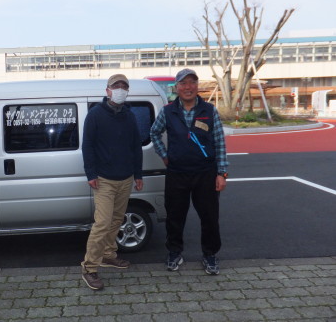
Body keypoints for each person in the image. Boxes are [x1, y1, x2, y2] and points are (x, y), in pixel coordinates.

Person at [150, 68, 228, 275]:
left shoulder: (209, 111)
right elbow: (154, 133)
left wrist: (222, 173)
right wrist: (164, 155)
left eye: (192, 82)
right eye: (183, 84)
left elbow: (219, 142)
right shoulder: (168, 111)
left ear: (197, 86)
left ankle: (210, 255)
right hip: (177, 173)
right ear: (176, 87)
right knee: (175, 216)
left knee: (209, 217)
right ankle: (175, 253)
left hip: (205, 173)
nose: (188, 87)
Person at [81, 74, 144, 290]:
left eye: (124, 87)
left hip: (125, 177)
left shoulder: (129, 116)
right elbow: (87, 145)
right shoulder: (95, 115)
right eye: (116, 86)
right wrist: (90, 173)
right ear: (107, 90)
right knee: (102, 223)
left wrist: (138, 175)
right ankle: (89, 268)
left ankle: (108, 255)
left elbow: (136, 146)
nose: (120, 90)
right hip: (104, 179)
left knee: (117, 220)